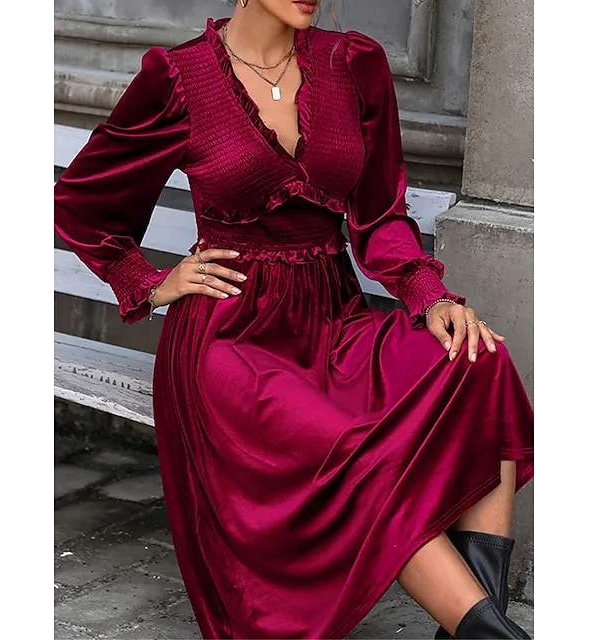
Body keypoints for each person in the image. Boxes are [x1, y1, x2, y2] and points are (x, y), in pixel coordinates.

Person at [54, 1, 534, 638]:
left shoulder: (353, 64)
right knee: (356, 454)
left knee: (480, 358)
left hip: (334, 318)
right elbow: (82, 200)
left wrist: (430, 295)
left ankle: (478, 626)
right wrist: (150, 281)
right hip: (231, 339)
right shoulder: (179, 76)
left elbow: (380, 215)